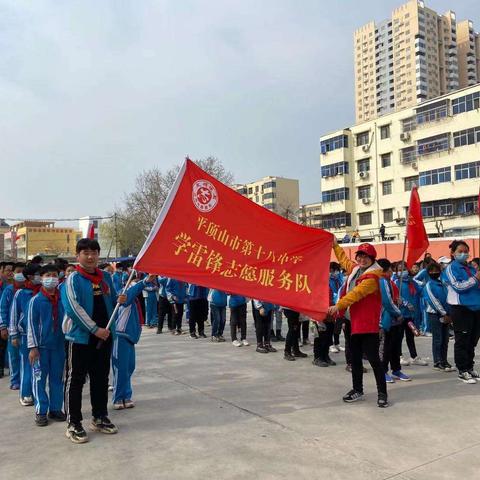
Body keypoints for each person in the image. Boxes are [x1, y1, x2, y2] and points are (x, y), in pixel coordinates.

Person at [62, 238, 122, 444]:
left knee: (100, 378)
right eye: (85, 252)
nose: (90, 256)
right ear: (78, 256)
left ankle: (99, 416)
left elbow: (113, 301)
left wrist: (121, 299)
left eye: (94, 252)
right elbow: (73, 308)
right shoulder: (72, 279)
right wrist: (95, 329)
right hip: (80, 338)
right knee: (75, 380)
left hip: (105, 336)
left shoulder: (105, 276)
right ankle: (73, 423)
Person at [328, 239, 388, 408]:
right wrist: (335, 245)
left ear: (372, 258)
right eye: (360, 256)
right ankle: (357, 389)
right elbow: (344, 261)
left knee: (373, 358)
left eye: (366, 257)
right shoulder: (356, 269)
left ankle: (382, 392)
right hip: (351, 320)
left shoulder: (373, 277)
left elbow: (355, 294)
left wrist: (338, 306)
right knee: (354, 358)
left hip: (367, 324)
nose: (362, 259)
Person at [27, 264, 66, 426]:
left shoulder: (63, 298)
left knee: (58, 379)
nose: (51, 278)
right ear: (41, 278)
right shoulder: (36, 300)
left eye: (54, 275)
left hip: (59, 346)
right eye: (47, 275)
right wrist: (33, 347)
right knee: (39, 380)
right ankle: (41, 411)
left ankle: (56, 409)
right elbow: (31, 324)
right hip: (41, 348)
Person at [112, 273, 156, 410]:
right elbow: (129, 294)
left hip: (130, 336)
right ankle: (118, 397)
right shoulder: (123, 294)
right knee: (120, 369)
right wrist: (144, 281)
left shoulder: (134, 299)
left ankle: (126, 395)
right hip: (120, 335)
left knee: (129, 367)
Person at [442, 240, 480, 384]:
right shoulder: (451, 268)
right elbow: (458, 287)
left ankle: (470, 367)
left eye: (466, 251)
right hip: (461, 309)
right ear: (453, 253)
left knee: (472, 340)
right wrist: (475, 279)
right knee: (462, 341)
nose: (464, 254)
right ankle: (462, 370)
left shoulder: (470, 267)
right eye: (460, 252)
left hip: (476, 308)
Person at [9, 263, 42, 406]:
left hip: (42, 335)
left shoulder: (43, 292)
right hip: (25, 335)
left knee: (39, 367)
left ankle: (37, 393)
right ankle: (26, 393)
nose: (40, 277)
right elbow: (14, 315)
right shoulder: (21, 294)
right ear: (30, 276)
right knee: (27, 365)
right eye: (38, 274)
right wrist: (13, 334)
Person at [377, 259, 408, 383]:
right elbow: (387, 301)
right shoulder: (382, 280)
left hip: (394, 320)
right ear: (387, 269)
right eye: (391, 268)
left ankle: (396, 370)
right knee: (385, 347)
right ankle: (383, 371)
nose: (392, 271)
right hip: (386, 319)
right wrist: (398, 313)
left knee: (396, 346)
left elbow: (395, 297)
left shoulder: (390, 281)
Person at [395, 262, 428, 367]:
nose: (402, 271)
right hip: (400, 315)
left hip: (410, 315)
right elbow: (395, 296)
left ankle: (414, 357)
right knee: (399, 337)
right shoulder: (396, 282)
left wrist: (426, 285)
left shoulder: (411, 282)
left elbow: (421, 291)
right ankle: (398, 356)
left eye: (404, 268)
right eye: (399, 269)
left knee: (410, 336)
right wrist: (405, 303)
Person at [424, 262, 454, 372]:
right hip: (435, 315)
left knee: (445, 339)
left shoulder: (442, 283)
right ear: (428, 272)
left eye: (436, 270)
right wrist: (444, 313)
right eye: (431, 271)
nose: (434, 272)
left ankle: (444, 360)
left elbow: (448, 298)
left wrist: (450, 313)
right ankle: (437, 362)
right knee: (438, 339)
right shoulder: (429, 285)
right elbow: (433, 301)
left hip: (446, 314)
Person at [0, 262, 26, 389]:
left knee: (25, 357)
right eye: (18, 271)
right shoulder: (8, 290)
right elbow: (3, 309)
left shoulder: (29, 289)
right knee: (14, 356)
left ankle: (25, 379)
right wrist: (3, 326)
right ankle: (15, 380)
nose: (20, 274)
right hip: (12, 328)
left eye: (23, 271)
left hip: (26, 330)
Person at [329, 262, 345, 354]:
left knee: (338, 324)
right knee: (331, 325)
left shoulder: (339, 278)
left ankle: (337, 343)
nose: (335, 272)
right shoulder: (327, 279)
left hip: (339, 303)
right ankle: (330, 344)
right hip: (331, 304)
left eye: (337, 270)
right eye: (334, 270)